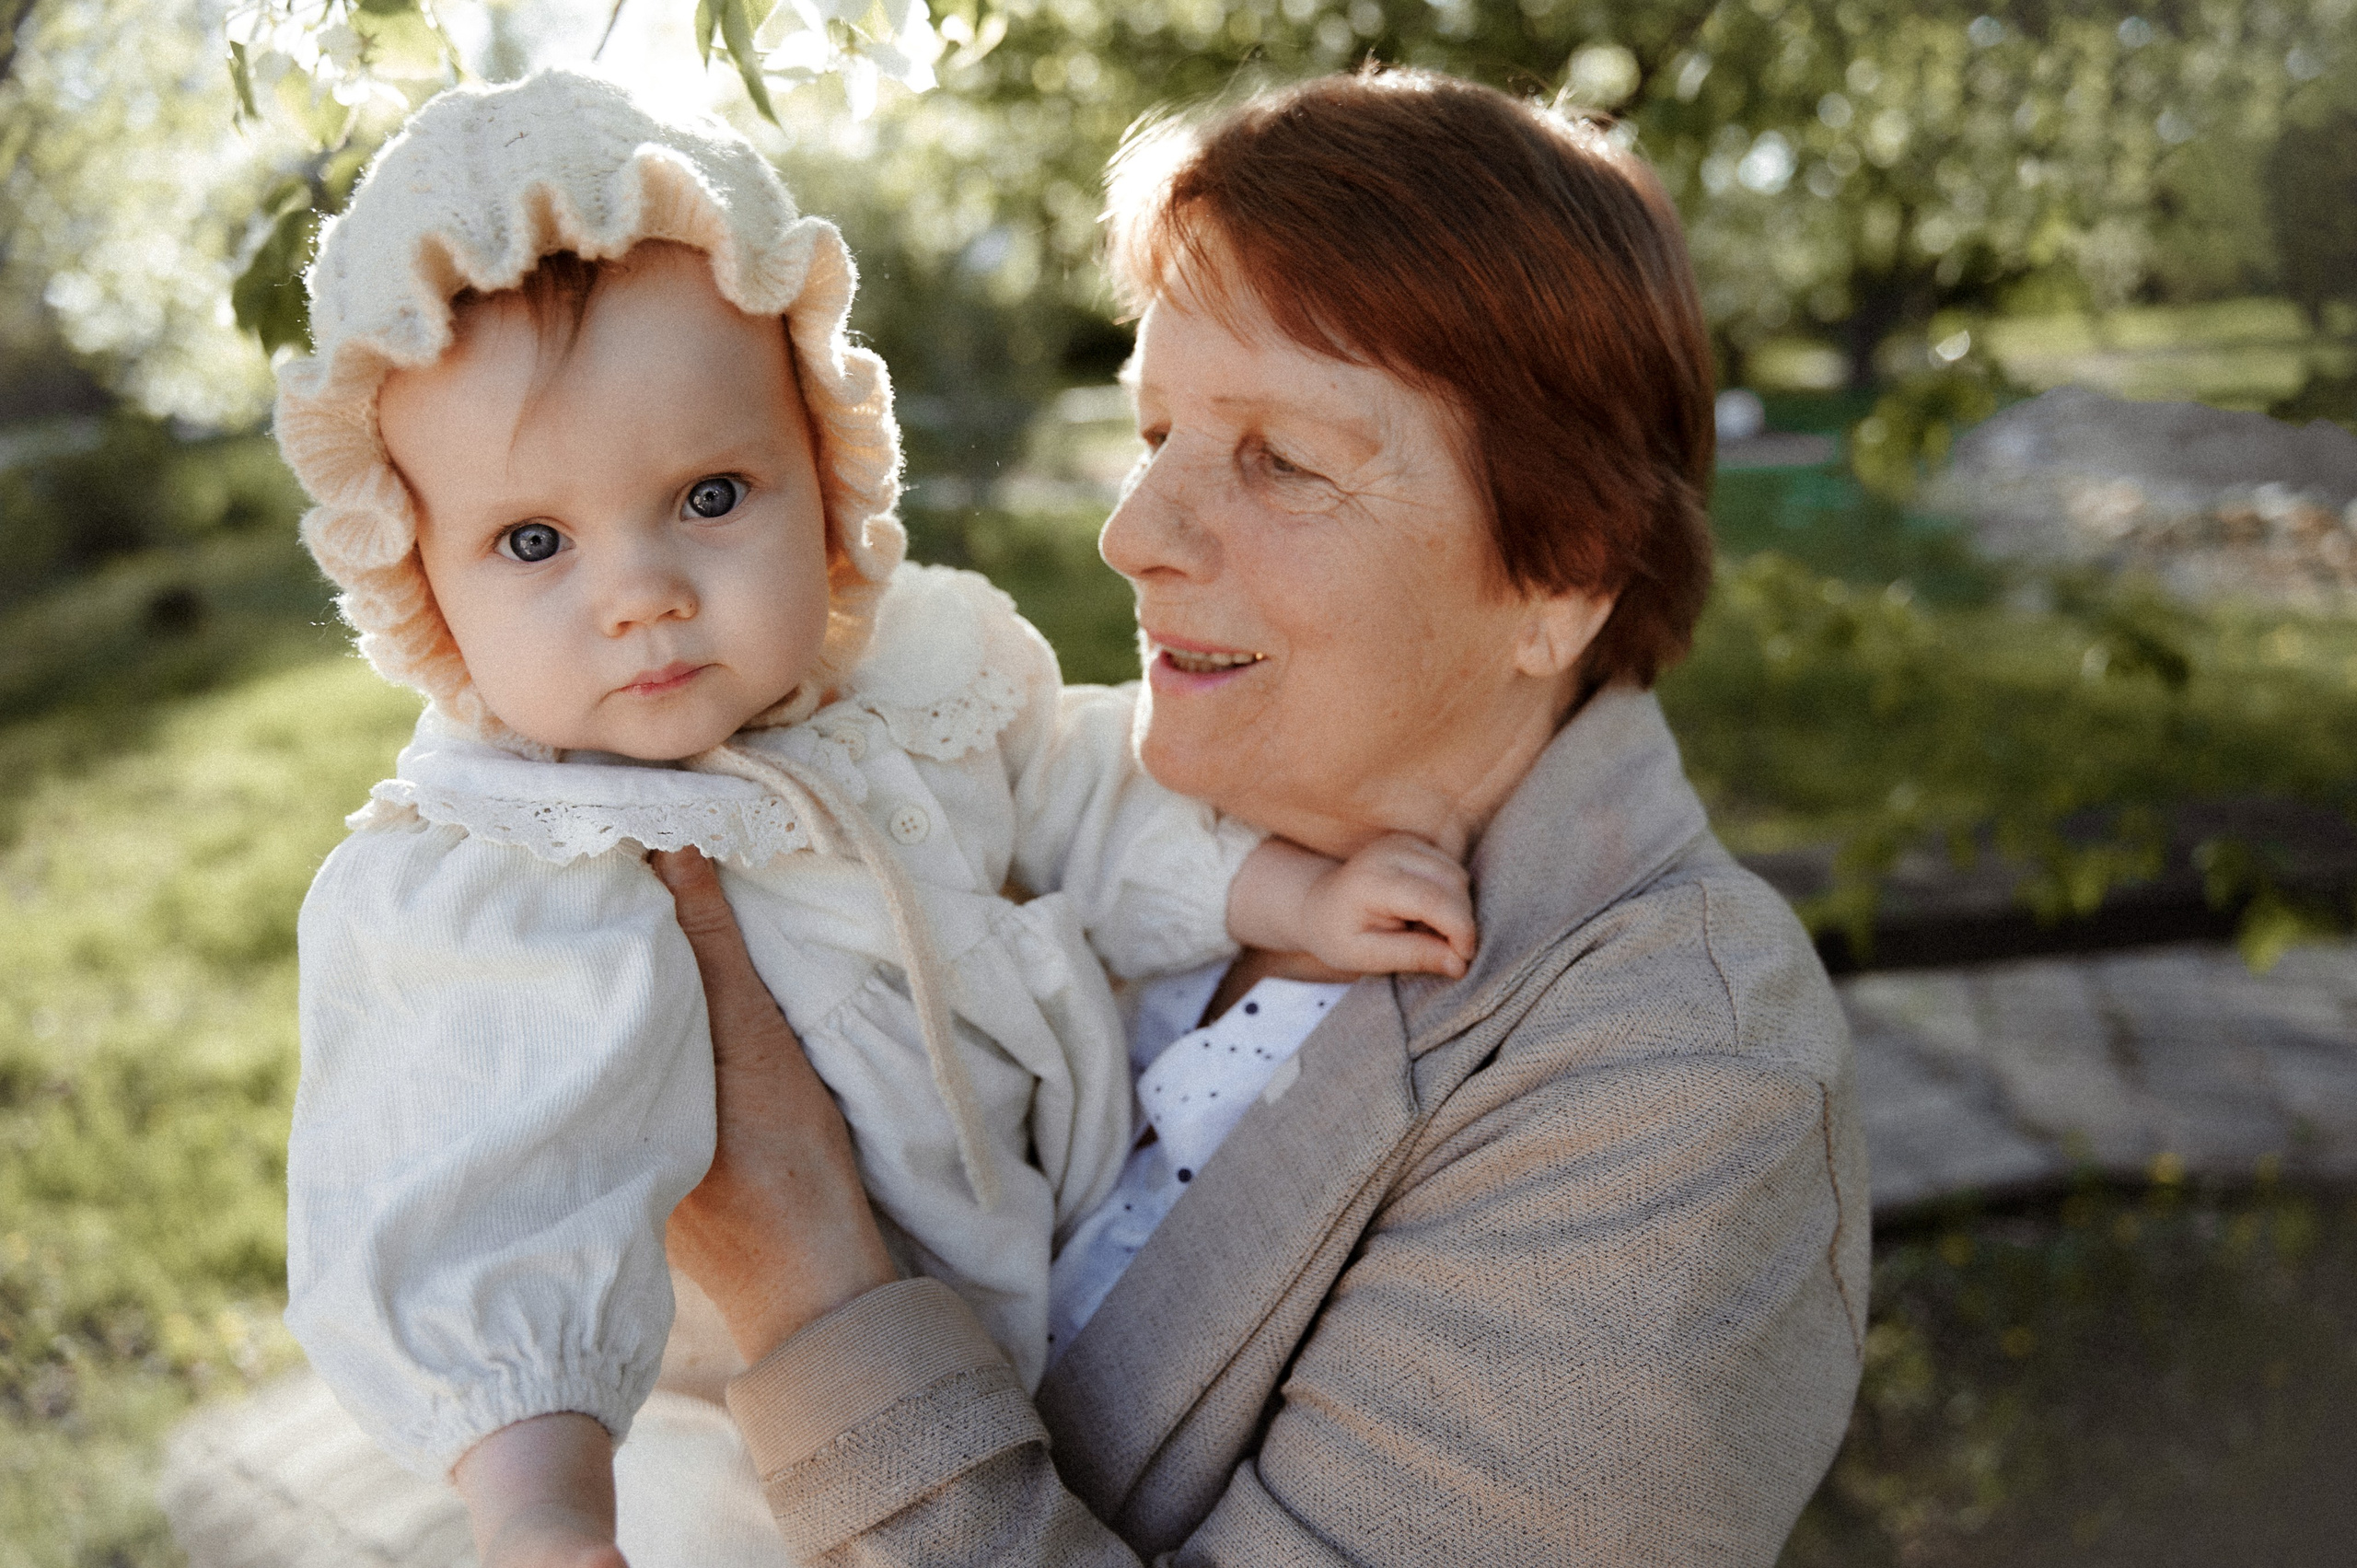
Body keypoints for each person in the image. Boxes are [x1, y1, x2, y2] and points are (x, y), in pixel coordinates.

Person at [656, 67, 1871, 1566]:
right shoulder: (1048, 810)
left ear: (1563, 573)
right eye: (1155, 430)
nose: (1132, 534)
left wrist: (807, 1288)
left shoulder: (1682, 1083)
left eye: (1282, 460)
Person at [273, 70, 1476, 1568]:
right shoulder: (509, 863)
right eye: (534, 541)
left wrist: (1280, 895)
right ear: (420, 585)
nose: (639, 590)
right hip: (731, 1423)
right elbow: (471, 1182)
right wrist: (538, 1498)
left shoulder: (929, 671)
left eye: (712, 497)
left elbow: (1089, 792)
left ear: (828, 481)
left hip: (1052, 1294)